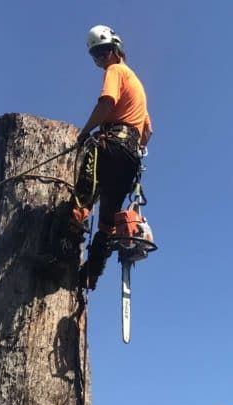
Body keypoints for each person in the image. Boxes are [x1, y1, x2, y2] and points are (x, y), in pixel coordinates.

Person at [74, 25, 153, 289]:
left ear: (115, 50)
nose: (100, 58)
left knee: (83, 195)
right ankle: (91, 273)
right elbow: (148, 130)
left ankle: (59, 250)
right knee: (107, 221)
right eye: (96, 54)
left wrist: (84, 133)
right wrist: (136, 148)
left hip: (112, 144)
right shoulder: (137, 85)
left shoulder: (115, 71)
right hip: (130, 156)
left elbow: (106, 102)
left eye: (103, 51)